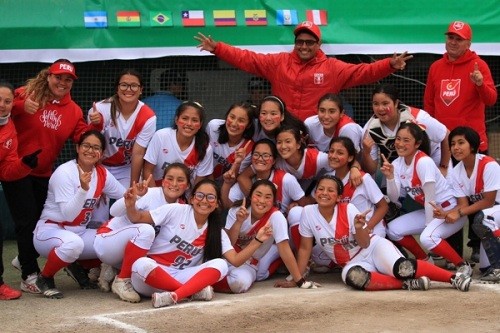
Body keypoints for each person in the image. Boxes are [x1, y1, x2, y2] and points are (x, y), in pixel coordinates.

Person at [275, 174, 472, 292]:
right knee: (354, 278)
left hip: (373, 248)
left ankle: (453, 278)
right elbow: (304, 248)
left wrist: (360, 227)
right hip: (352, 262)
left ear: (338, 197)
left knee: (401, 267)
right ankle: (406, 285)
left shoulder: (349, 209)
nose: (324, 193)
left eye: (330, 191)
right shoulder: (308, 213)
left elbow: (365, 243)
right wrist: (297, 278)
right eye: (320, 189)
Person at [195, 21, 412, 121]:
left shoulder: (332, 68)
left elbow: (363, 72)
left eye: (310, 42)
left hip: (318, 132)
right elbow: (248, 59)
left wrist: (389, 65)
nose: (304, 46)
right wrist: (218, 48)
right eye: (300, 41)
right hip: (282, 131)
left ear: (318, 44)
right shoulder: (279, 62)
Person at [2, 59, 91, 294]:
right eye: (58, 77)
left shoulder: (74, 111)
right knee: (26, 221)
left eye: (68, 79)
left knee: (43, 221)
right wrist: (21, 107)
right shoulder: (26, 94)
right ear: (48, 76)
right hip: (16, 168)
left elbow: (82, 135)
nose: (62, 82)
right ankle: (29, 275)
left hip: (43, 173)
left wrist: (94, 125)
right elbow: (3, 107)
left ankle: (23, 259)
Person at [125, 179, 278, 308]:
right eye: (200, 195)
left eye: (210, 197)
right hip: (152, 276)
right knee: (141, 263)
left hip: (182, 275)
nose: (204, 201)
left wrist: (258, 240)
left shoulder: (216, 230)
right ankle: (190, 292)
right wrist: (131, 205)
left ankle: (175, 296)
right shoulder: (176, 210)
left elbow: (236, 261)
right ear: (191, 198)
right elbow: (137, 218)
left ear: (217, 204)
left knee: (220, 264)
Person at [424, 21, 497, 262]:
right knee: (448, 196)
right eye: (450, 37)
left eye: (458, 39)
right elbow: (430, 105)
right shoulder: (436, 67)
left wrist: (479, 82)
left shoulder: (479, 65)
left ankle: (477, 247)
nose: (453, 42)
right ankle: (451, 250)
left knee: (478, 197)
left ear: (468, 43)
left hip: (473, 144)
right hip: (446, 146)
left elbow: (491, 99)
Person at [32, 130, 126, 299]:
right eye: (86, 146)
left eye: (96, 147)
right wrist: (83, 189)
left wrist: (137, 195)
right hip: (50, 231)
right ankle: (44, 278)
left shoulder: (101, 173)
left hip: (79, 232)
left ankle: (80, 266)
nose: (90, 151)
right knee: (73, 244)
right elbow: (68, 215)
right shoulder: (65, 172)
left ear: (102, 153)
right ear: (77, 148)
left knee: (114, 239)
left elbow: (124, 196)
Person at [380, 122, 472, 277]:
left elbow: (430, 197)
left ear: (417, 144)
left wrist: (429, 227)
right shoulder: (396, 164)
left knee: (427, 238)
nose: (400, 144)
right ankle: (425, 259)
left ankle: (462, 265)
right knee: (393, 229)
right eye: (398, 139)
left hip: (450, 210)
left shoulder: (424, 162)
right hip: (431, 210)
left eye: (406, 140)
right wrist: (389, 177)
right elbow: (395, 198)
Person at [94, 163, 190, 302]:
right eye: (170, 178)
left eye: (180, 180)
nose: (174, 184)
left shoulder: (182, 208)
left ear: (187, 185)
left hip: (128, 250)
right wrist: (136, 196)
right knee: (146, 230)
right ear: (162, 181)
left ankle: (114, 269)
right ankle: (122, 279)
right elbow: (113, 211)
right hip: (107, 241)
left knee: (152, 258)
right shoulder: (149, 193)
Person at [217, 179, 318, 293]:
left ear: (274, 200)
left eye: (268, 197)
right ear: (250, 196)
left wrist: (299, 281)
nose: (262, 201)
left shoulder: (276, 217)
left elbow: (284, 249)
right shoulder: (237, 210)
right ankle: (205, 286)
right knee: (214, 269)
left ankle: (210, 285)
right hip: (228, 258)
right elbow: (228, 242)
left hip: (250, 264)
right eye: (258, 195)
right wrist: (238, 222)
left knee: (240, 283)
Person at [88, 69, 156, 222]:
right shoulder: (100, 109)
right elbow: (92, 148)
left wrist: (132, 186)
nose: (128, 89)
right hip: (101, 166)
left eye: (134, 86)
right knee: (98, 215)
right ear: (117, 88)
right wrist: (100, 180)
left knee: (132, 206)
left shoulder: (148, 116)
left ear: (141, 90)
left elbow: (138, 153)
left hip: (126, 168)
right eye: (124, 85)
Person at [437, 127, 499, 283]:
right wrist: (446, 213)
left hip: (493, 210)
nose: (456, 147)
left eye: (461, 143)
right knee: (485, 268)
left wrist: (458, 213)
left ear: (472, 146)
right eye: (452, 144)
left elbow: (488, 201)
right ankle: (493, 267)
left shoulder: (488, 164)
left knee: (481, 219)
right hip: (491, 214)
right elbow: (463, 204)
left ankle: (498, 269)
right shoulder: (455, 172)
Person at [0, 81, 42, 300]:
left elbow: (7, 170)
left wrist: (24, 164)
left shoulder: (9, 128)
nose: (2, 105)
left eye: (7, 101)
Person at [362, 83, 450, 177]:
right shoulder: (370, 129)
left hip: (432, 157)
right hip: (401, 165)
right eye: (376, 104)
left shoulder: (417, 117)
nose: (380, 108)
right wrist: (366, 153)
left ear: (396, 103)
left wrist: (444, 167)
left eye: (385, 103)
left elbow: (446, 135)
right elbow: (371, 170)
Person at [223, 138, 309, 214]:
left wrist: (296, 205)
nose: (260, 159)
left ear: (274, 160)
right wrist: (227, 183)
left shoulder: (286, 179)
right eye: (256, 154)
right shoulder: (245, 182)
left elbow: (304, 203)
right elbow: (226, 204)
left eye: (266, 156)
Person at [143, 101, 213, 186]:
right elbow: (147, 171)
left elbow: (197, 185)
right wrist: (156, 196)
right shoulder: (161, 136)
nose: (189, 124)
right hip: (157, 190)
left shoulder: (205, 148)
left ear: (200, 124)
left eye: (194, 120)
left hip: (185, 196)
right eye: (184, 118)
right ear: (176, 120)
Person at [206, 101, 255, 183]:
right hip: (204, 178)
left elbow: (233, 178)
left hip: (226, 185)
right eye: (232, 117)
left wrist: (237, 163)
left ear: (248, 125)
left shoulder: (248, 148)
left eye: (241, 121)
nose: (234, 124)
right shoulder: (213, 127)